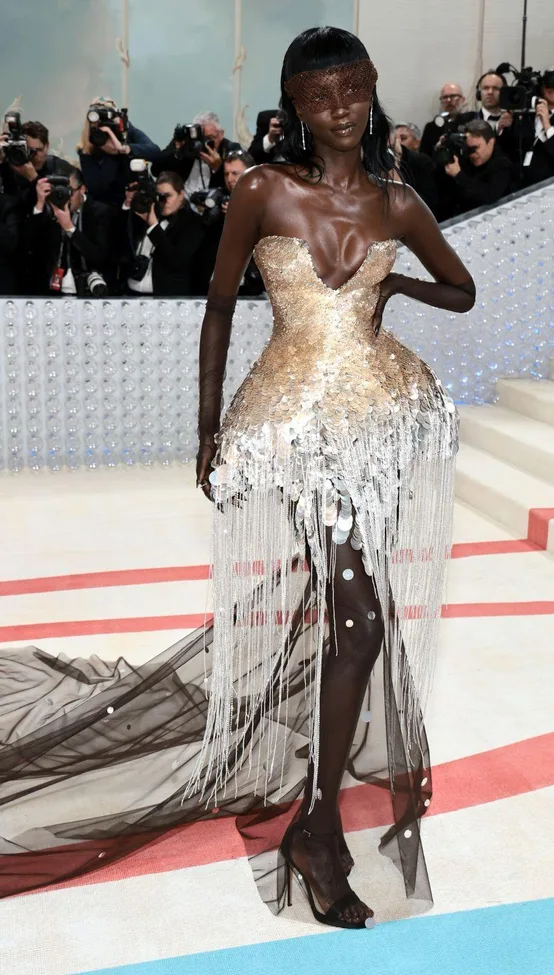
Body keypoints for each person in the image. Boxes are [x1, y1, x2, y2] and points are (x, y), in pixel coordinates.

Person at [0, 28, 475, 929]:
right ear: (294, 104)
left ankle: (318, 817)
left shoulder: (400, 203)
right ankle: (321, 828)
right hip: (286, 425)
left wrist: (400, 292)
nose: (338, 107)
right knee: (362, 614)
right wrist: (208, 428)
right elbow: (220, 308)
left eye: (352, 90)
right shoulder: (262, 189)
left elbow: (464, 290)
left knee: (351, 620)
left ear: (371, 92)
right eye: (319, 93)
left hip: (369, 420)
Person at [24, 168, 112, 295]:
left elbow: (99, 258)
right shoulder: (49, 207)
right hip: (52, 289)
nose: (64, 196)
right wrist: (40, 204)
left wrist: (70, 228)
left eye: (69, 191)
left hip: (88, 289)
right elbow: (29, 248)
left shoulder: (101, 212)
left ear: (82, 189)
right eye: (58, 191)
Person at [122, 170, 204, 296]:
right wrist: (130, 204)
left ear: (181, 194)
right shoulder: (149, 213)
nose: (163, 201)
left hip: (166, 298)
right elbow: (121, 242)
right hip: (130, 293)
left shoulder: (193, 222)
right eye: (160, 196)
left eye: (168, 196)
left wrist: (154, 226)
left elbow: (176, 261)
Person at [498, 66, 554, 188]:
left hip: (548, 187)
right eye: (552, 82)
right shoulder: (523, 113)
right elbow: (505, 150)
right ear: (543, 86)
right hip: (513, 186)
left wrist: (547, 126)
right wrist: (501, 129)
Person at [192, 149, 263, 295]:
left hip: (250, 285)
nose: (229, 179)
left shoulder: (265, 202)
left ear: (251, 173)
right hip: (213, 285)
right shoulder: (219, 201)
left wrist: (241, 213)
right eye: (226, 174)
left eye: (235, 173)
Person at [77, 97, 160, 208]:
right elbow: (97, 188)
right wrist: (112, 154)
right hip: (106, 208)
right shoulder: (87, 148)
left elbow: (155, 152)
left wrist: (126, 148)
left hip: (137, 201)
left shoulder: (127, 132)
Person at [152, 112, 242, 194]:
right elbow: (155, 170)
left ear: (221, 134)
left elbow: (237, 187)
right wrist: (177, 153)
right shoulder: (187, 143)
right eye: (200, 139)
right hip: (184, 203)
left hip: (213, 205)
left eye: (209, 139)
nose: (203, 144)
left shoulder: (231, 149)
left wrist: (218, 167)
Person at [442, 118, 514, 216]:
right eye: (468, 148)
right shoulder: (465, 158)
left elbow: (490, 195)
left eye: (475, 148)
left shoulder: (502, 164)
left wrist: (459, 175)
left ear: (491, 142)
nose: (472, 154)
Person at [0, 120, 74, 213]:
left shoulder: (59, 168)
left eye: (39, 150)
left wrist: (34, 179)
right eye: (30, 150)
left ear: (47, 146)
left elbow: (60, 208)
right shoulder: (11, 166)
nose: (35, 156)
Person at [388, 126, 438, 215]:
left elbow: (430, 204)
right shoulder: (372, 167)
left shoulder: (421, 161)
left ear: (398, 139)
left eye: (391, 147)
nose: (389, 155)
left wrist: (398, 181)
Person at [420, 83, 474, 156]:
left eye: (453, 96)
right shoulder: (431, 127)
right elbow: (424, 156)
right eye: (445, 97)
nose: (449, 100)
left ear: (463, 100)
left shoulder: (473, 121)